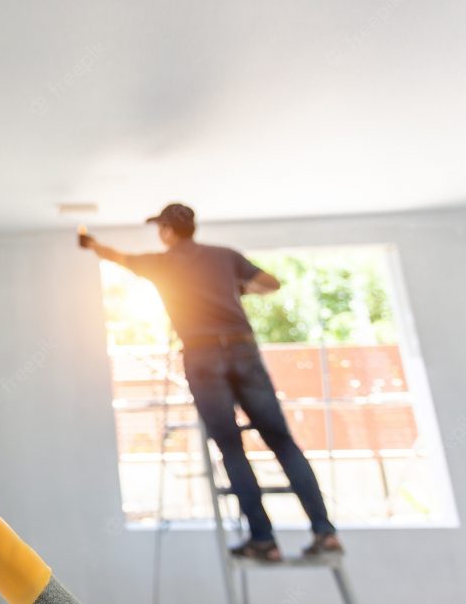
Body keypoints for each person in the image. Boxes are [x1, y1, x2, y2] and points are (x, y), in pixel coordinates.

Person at [79, 203, 343, 561]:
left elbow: (116, 256)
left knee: (231, 447)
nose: (159, 233)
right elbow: (270, 284)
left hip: (203, 356)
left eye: (161, 228)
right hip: (242, 349)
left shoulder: (160, 263)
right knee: (280, 440)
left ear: (169, 231)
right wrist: (234, 289)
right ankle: (324, 532)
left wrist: (90, 242)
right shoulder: (224, 256)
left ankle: (264, 540)